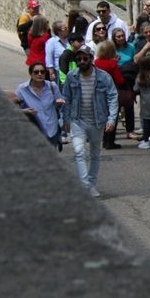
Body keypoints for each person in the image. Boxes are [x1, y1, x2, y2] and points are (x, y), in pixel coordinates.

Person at [61, 45, 118, 198]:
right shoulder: (72, 76)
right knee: (79, 152)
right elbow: (66, 98)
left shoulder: (103, 77)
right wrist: (65, 118)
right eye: (79, 59)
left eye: (85, 58)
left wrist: (111, 119)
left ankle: (91, 184)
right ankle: (86, 185)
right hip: (77, 119)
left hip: (97, 121)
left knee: (95, 154)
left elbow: (112, 97)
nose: (81, 61)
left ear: (91, 59)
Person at [13, 62, 64, 148]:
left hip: (51, 129)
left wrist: (59, 103)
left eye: (42, 72)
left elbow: (60, 105)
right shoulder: (22, 89)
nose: (39, 74)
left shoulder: (52, 86)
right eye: (36, 72)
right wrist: (24, 111)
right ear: (31, 74)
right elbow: (12, 109)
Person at [94, 40, 125, 150]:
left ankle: (103, 139)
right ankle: (109, 141)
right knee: (113, 116)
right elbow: (119, 80)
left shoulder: (96, 62)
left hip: (98, 92)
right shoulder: (112, 64)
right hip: (111, 92)